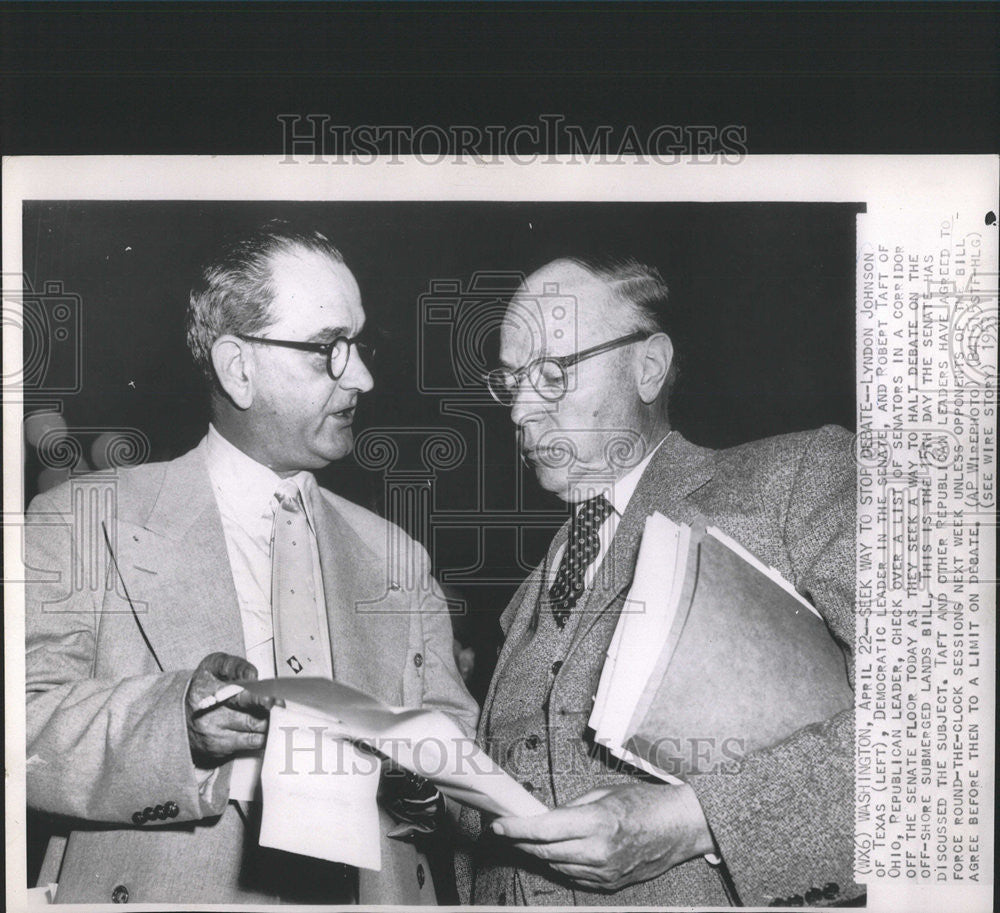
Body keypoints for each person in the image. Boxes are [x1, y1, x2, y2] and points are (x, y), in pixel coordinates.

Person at [25, 222, 479, 905]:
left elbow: (459, 772)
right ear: (239, 368)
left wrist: (417, 780)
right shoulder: (84, 520)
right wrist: (176, 722)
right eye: (329, 349)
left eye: (360, 345)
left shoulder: (397, 557)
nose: (362, 375)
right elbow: (20, 726)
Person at [457, 257, 862, 907]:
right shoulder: (525, 597)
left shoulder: (795, 482)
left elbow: (933, 734)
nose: (522, 409)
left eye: (552, 373)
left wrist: (693, 821)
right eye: (511, 382)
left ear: (648, 367)